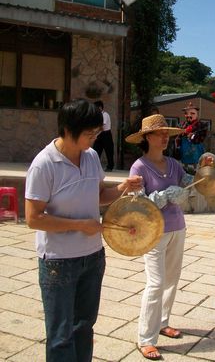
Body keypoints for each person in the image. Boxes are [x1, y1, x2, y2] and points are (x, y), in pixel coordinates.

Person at [25, 99, 142, 362]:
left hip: (92, 257)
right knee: (60, 334)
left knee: (84, 327)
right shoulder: (44, 165)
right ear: (68, 129)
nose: (94, 139)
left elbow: (99, 195)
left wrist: (123, 187)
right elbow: (34, 218)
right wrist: (79, 225)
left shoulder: (90, 157)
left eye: (97, 133)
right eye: (89, 134)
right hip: (58, 262)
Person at [126, 114, 196, 360]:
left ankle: (163, 321)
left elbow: (190, 183)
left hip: (178, 227)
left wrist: (205, 169)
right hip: (153, 231)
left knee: (172, 279)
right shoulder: (139, 167)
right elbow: (138, 203)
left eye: (167, 133)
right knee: (155, 283)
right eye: (160, 133)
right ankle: (145, 338)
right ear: (147, 137)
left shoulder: (174, 164)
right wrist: (164, 196)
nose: (165, 137)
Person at [175, 102, 208, 174]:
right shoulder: (181, 125)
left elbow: (201, 137)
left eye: (192, 113)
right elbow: (177, 138)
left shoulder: (202, 125)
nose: (189, 115)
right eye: (187, 114)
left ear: (196, 114)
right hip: (184, 156)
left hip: (197, 156)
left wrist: (192, 136)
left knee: (197, 173)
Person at [92, 100, 114, 171]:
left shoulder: (105, 114)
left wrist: (94, 133)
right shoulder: (96, 116)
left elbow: (101, 126)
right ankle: (94, 167)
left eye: (95, 108)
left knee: (109, 151)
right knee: (96, 150)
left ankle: (110, 167)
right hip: (99, 135)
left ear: (100, 108)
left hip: (106, 134)